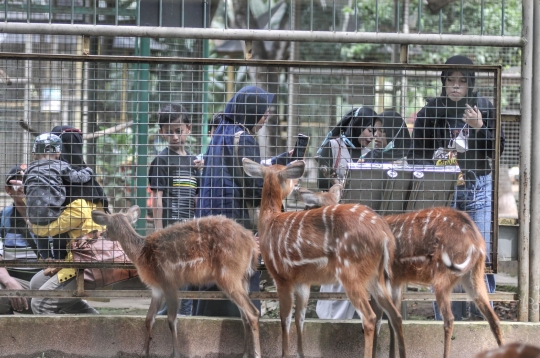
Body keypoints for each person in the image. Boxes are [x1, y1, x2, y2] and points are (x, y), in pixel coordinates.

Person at [409, 55, 504, 321]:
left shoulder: (482, 106)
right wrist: (435, 171)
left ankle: (484, 319)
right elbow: (416, 154)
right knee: (443, 257)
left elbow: (498, 150)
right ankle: (449, 319)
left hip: (478, 189)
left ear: (470, 84)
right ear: (443, 82)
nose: (455, 86)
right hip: (443, 192)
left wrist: (480, 127)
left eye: (462, 82)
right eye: (450, 80)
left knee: (482, 255)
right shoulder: (431, 110)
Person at [194, 85, 275, 317]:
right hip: (235, 227)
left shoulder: (221, 132)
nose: (265, 117)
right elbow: (252, 188)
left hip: (210, 226)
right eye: (263, 111)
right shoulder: (245, 138)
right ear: (251, 111)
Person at [25, 131, 107, 314]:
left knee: (40, 303)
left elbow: (47, 229)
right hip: (71, 258)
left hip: (89, 263)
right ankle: (94, 322)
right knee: (35, 284)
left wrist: (33, 224)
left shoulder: (80, 197)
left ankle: (54, 343)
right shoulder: (64, 179)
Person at [148, 103, 203, 315]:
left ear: (188, 129)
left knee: (185, 287)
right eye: (168, 132)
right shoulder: (161, 160)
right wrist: (159, 234)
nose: (174, 136)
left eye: (178, 131)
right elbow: (157, 199)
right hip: (170, 234)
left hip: (190, 233)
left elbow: (198, 198)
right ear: (161, 132)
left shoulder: (194, 162)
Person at [0, 164, 37, 315]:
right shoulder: (2, 218)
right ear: (8, 190)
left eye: (28, 181)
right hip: (17, 282)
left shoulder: (53, 215)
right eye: (17, 181)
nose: (23, 185)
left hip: (48, 282)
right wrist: (9, 282)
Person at [316, 106, 380, 191]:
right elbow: (322, 184)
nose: (372, 137)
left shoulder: (368, 153)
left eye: (374, 131)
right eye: (369, 131)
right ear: (357, 125)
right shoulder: (333, 146)